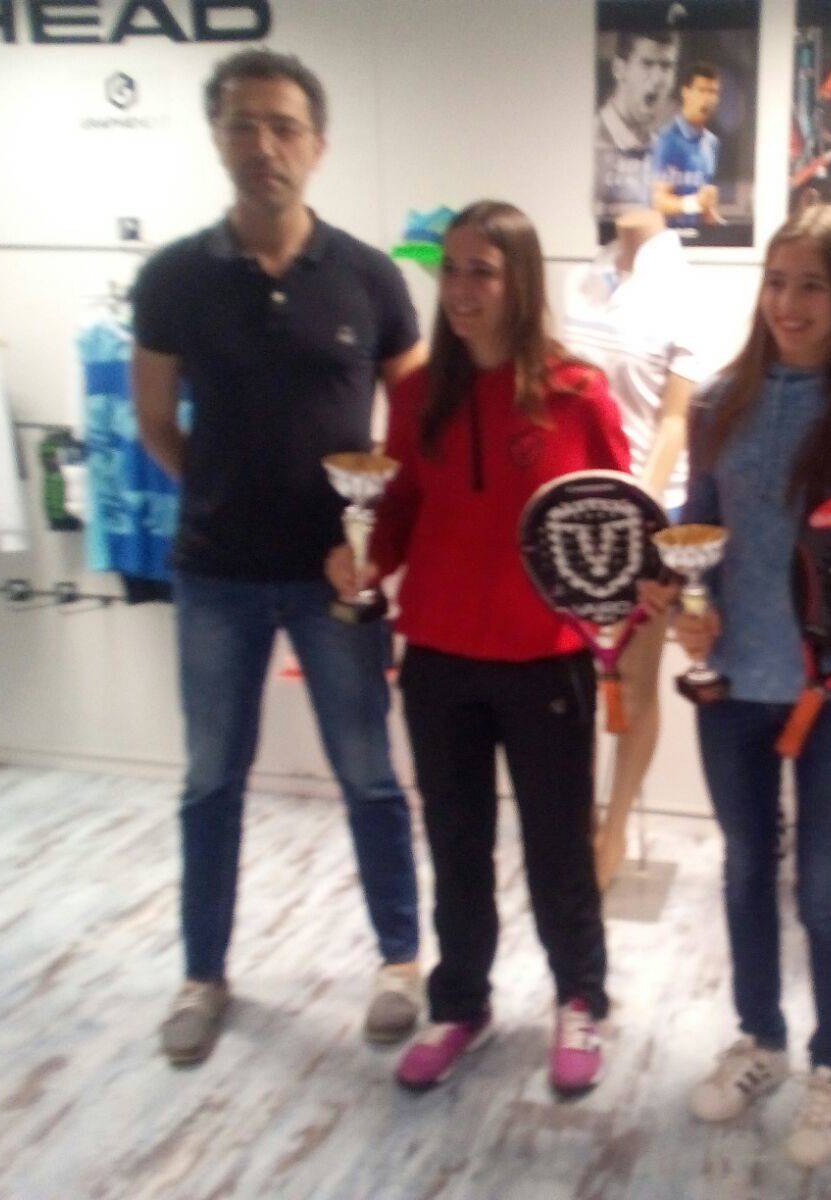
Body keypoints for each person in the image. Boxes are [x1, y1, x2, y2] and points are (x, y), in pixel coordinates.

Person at [132, 48, 424, 1067]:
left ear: (318, 144)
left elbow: (415, 419)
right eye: (245, 124)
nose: (265, 144)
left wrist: (374, 536)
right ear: (218, 138)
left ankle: (400, 963)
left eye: (285, 126)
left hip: (334, 577)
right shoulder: (173, 277)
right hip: (214, 573)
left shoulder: (368, 276)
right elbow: (155, 420)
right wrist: (218, 490)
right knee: (211, 781)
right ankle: (202, 976)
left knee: (369, 775)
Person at [328, 200, 627, 1099]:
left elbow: (613, 520)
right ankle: (461, 1004)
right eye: (451, 269)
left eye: (482, 272)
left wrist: (628, 611)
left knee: (557, 851)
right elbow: (399, 511)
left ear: (520, 280)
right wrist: (363, 558)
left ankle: (581, 999)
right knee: (457, 847)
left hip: (545, 659)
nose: (460, 289)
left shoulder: (578, 391)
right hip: (439, 658)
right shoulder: (419, 394)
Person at [662, 204, 831, 1167]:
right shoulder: (715, 402)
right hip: (733, 686)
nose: (789, 303)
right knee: (743, 869)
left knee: (822, 889)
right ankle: (762, 1041)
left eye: (813, 285)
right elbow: (696, 533)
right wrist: (689, 609)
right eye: (777, 282)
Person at [560, 206, 707, 889]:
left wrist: (636, 516)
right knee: (573, 682)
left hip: (649, 513)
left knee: (636, 681)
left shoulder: (686, 289)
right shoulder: (581, 281)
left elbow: (676, 422)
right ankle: (578, 819)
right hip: (574, 515)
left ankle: (615, 827)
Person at [595, 32, 680, 223]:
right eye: (647, 64)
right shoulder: (591, 144)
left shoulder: (663, 148)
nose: (658, 79)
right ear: (619, 69)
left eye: (666, 66)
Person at [651, 62, 723, 228]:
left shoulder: (712, 143)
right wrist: (695, 203)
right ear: (686, 92)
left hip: (699, 239)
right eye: (702, 90)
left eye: (713, 92)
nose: (707, 98)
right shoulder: (666, 140)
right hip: (669, 237)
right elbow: (659, 202)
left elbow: (705, 208)